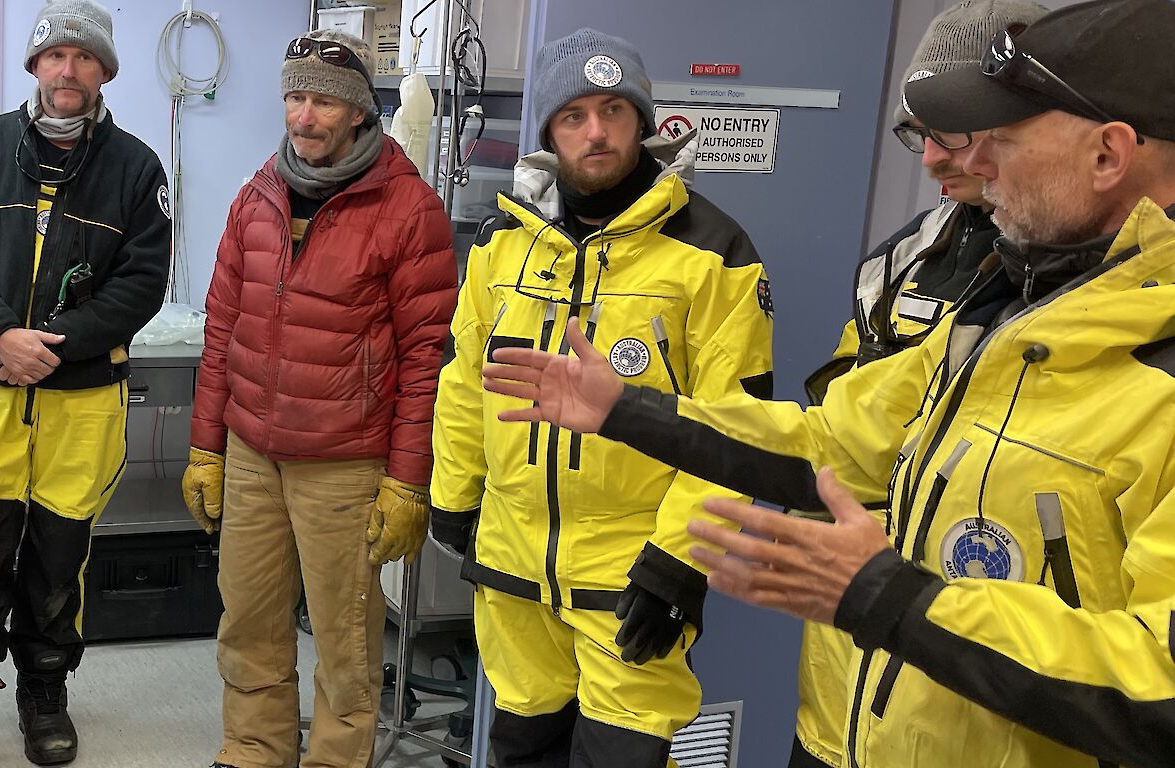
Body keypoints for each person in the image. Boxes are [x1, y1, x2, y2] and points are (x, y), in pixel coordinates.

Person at [481, 1, 1175, 765]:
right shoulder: (1002, 308)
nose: (970, 166)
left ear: (1109, 153)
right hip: (855, 726)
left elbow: (1159, 684)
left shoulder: (1144, 360)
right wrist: (629, 412)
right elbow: (832, 438)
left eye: (1001, 140)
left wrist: (895, 603)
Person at [426, 29, 774, 766]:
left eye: (614, 110)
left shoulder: (712, 251)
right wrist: (454, 496)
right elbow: (464, 382)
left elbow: (737, 429)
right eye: (575, 116)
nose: (597, 132)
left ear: (642, 122)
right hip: (515, 567)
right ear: (551, 131)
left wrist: (678, 564)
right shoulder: (501, 243)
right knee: (521, 747)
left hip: (633, 579)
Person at [182, 30, 455, 768]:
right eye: (296, 97)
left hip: (345, 461)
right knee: (248, 622)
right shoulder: (257, 197)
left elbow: (427, 360)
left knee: (344, 640)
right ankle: (252, 751)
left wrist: (407, 481)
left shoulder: (409, 210)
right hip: (251, 455)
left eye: (324, 103)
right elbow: (223, 331)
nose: (304, 117)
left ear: (361, 113)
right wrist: (207, 447)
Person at [790, 3, 1046, 766]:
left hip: (978, 695)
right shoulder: (902, 259)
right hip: (845, 669)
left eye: (953, 131)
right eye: (917, 131)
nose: (930, 158)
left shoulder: (1081, 286)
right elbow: (838, 418)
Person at [0, 1, 169, 765]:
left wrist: (50, 347)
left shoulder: (135, 167)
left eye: (84, 58)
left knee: (61, 556)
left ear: (103, 73)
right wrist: (1, 334)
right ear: (34, 67)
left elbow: (141, 285)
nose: (68, 70)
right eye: (55, 56)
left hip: (82, 397)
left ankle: (43, 690)